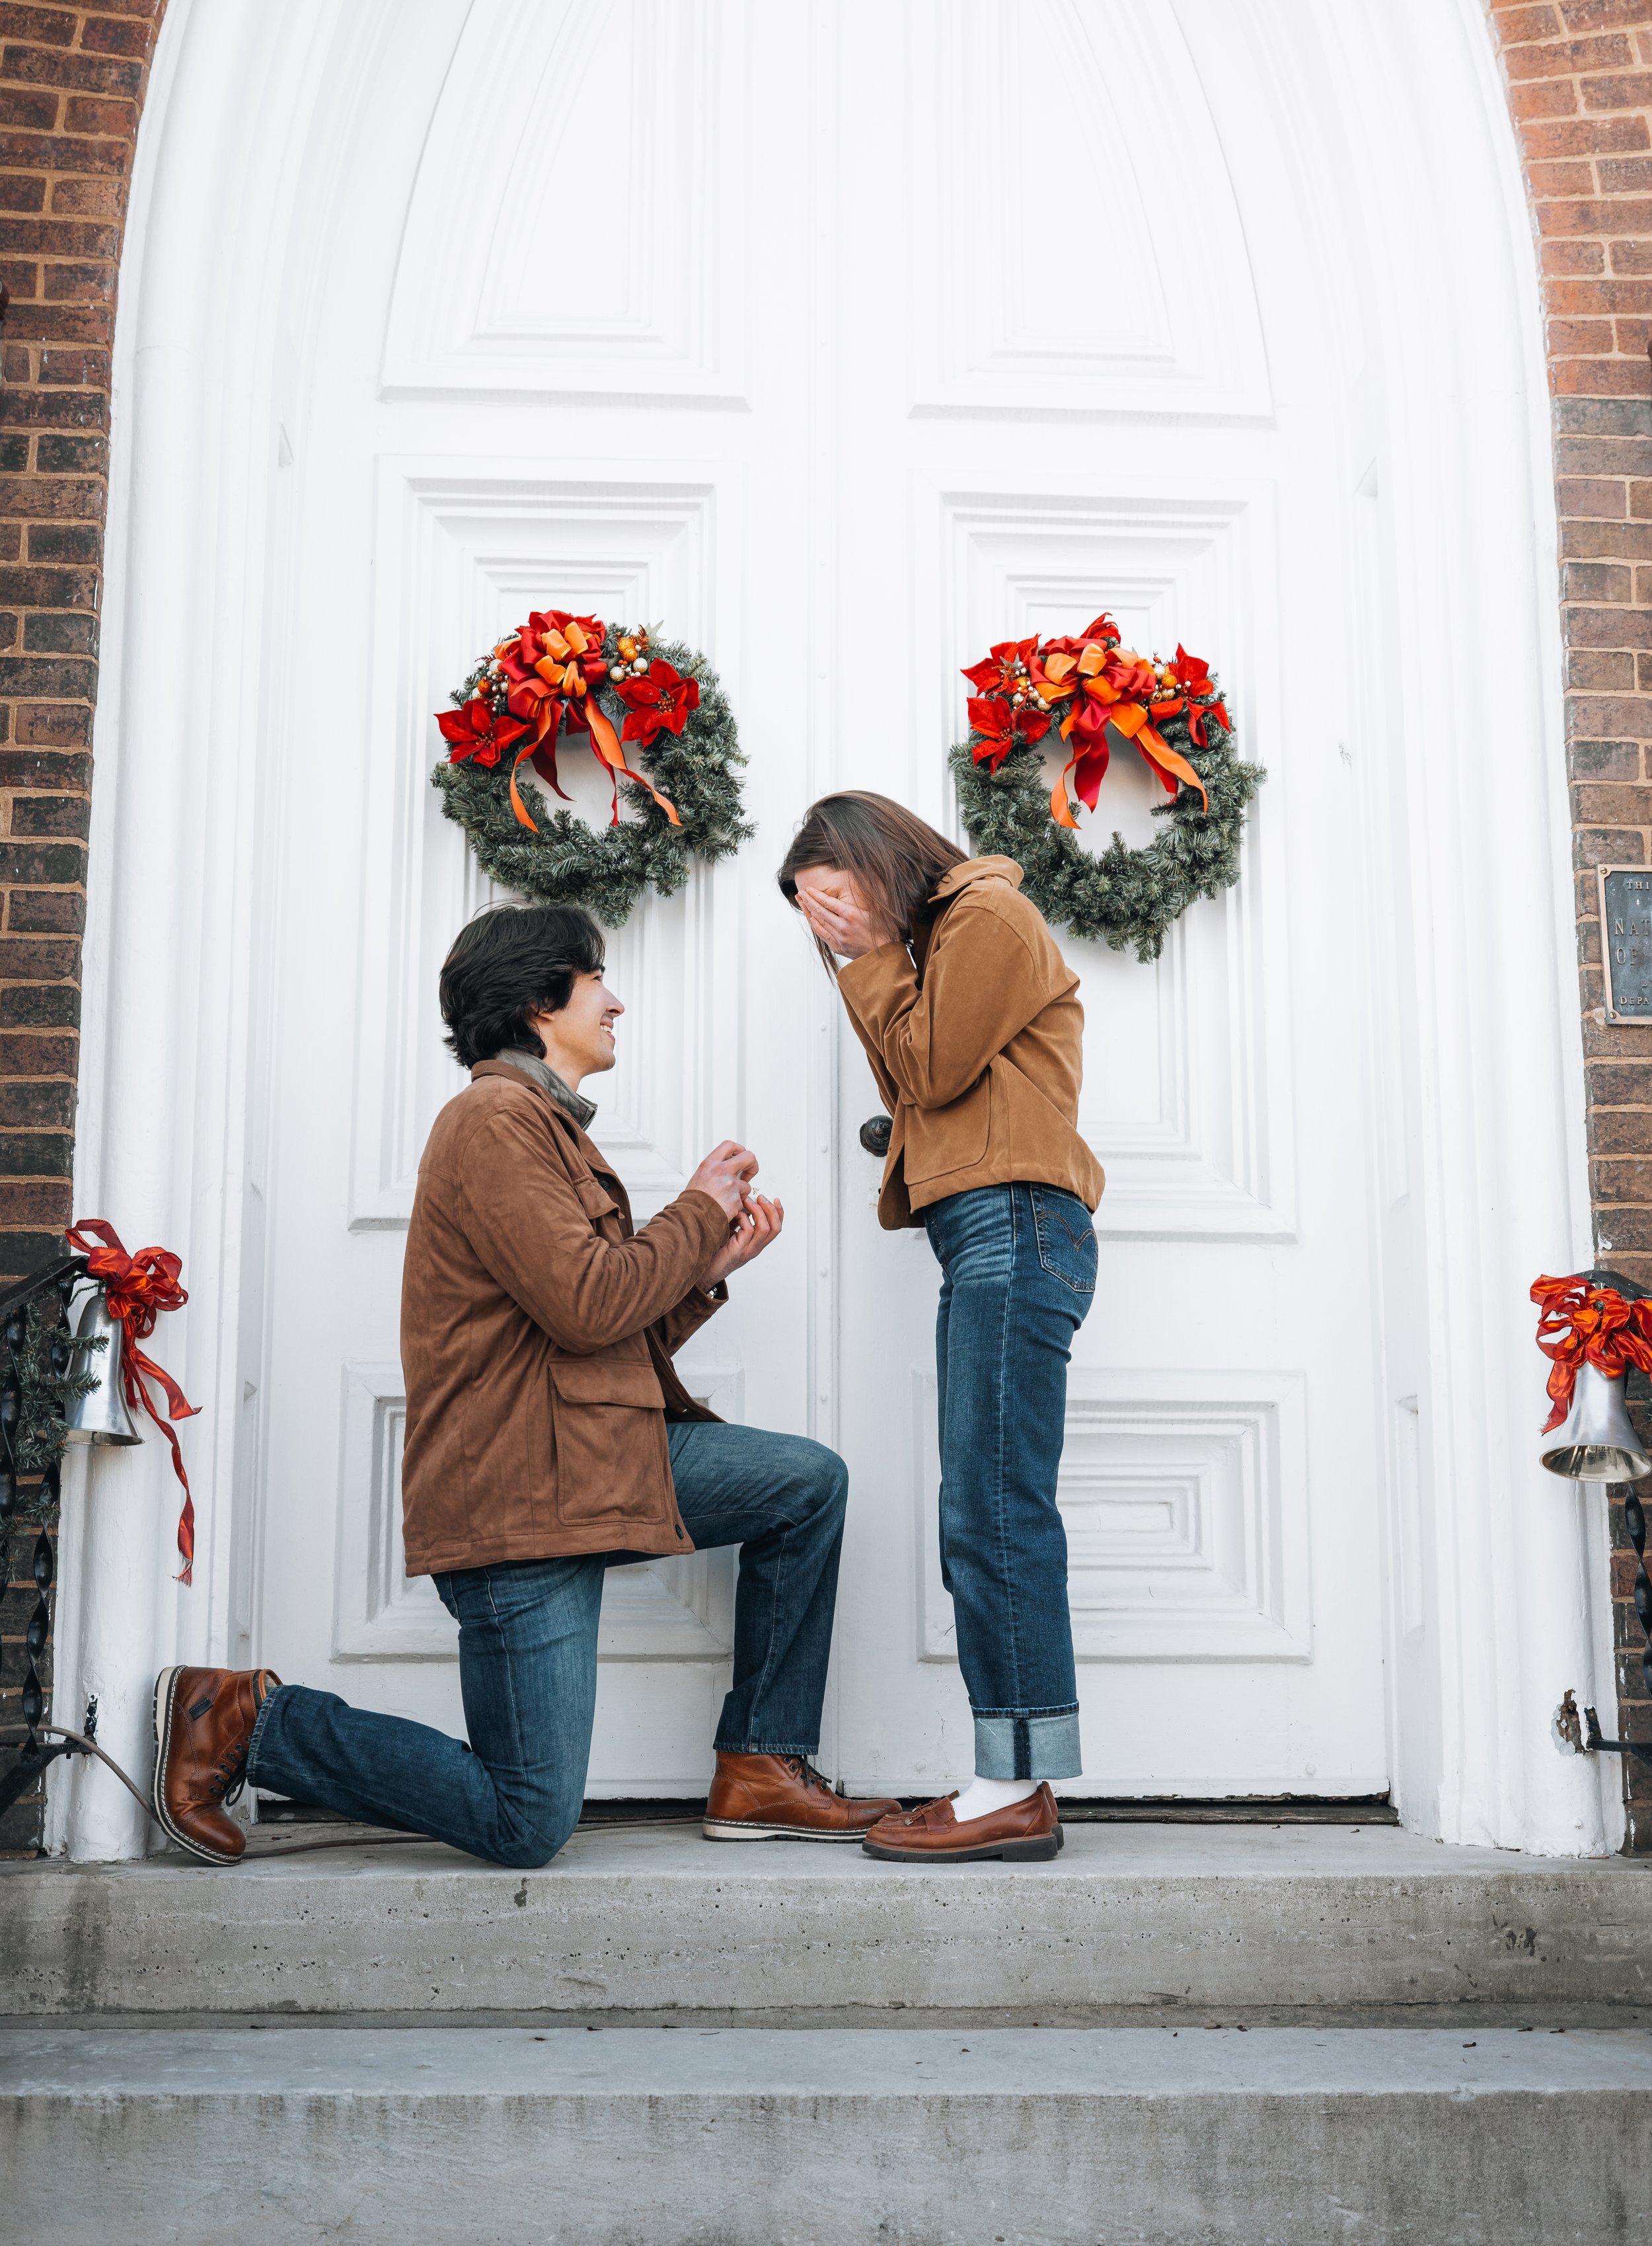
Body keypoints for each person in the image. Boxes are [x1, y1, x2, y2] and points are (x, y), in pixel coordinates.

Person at [151, 902, 899, 1868]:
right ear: (542, 1002)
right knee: (525, 1821)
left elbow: (588, 1335)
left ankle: (760, 1763)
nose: (616, 1002)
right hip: (521, 1495)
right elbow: (590, 1307)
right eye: (598, 983)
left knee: (805, 1484)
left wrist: (711, 1259)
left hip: (590, 1463)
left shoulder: (535, 1123)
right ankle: (248, 1723)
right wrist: (692, 1210)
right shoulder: (494, 1120)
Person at [779, 793, 1104, 1865]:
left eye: (831, 900)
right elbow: (917, 1076)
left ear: (874, 860)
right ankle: (1010, 1774)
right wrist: (872, 953)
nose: (828, 930)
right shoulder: (935, 945)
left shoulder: (984, 917)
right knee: (988, 1503)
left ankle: (1010, 1786)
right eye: (812, 918)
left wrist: (870, 949)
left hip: (1017, 1222)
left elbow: (927, 1077)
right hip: (989, 1231)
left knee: (993, 1509)